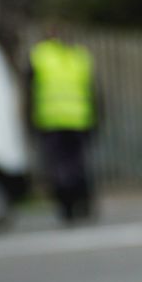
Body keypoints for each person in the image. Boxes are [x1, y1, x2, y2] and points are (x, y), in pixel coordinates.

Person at [28, 27, 99, 223]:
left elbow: (30, 90)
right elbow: (92, 91)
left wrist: (29, 120)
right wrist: (96, 119)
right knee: (79, 164)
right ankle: (83, 204)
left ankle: (66, 207)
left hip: (51, 121)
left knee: (59, 166)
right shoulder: (80, 57)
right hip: (79, 119)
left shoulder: (40, 56)